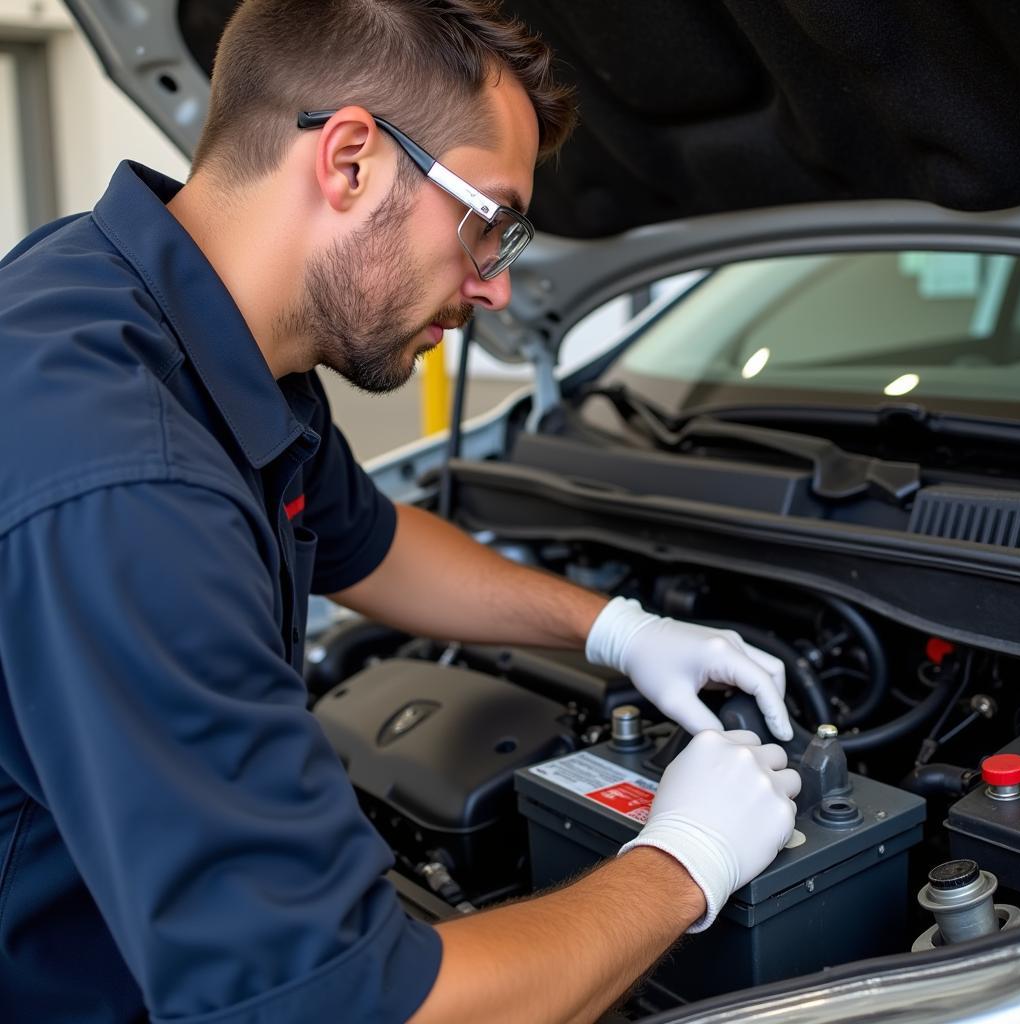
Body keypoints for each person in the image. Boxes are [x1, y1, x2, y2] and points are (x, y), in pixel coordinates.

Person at [0, 1, 801, 1021]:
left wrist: (615, 629)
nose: (496, 287)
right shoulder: (130, 485)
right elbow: (345, 1005)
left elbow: (367, 541)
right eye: (491, 221)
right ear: (348, 161)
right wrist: (685, 860)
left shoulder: (153, 308)